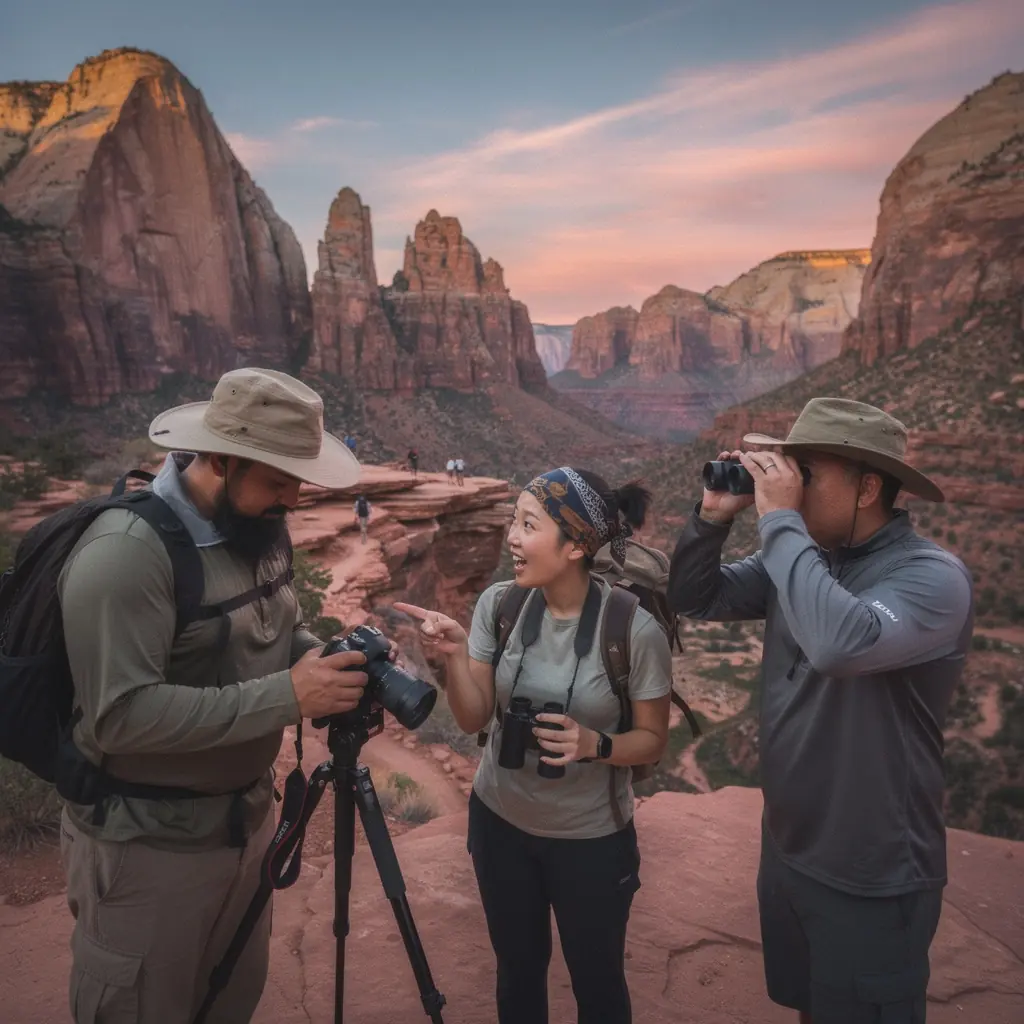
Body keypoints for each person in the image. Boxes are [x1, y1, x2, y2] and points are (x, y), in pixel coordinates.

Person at [56, 368, 401, 1024]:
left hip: (244, 833)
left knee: (228, 1005)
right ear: (217, 459)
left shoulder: (255, 527)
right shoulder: (126, 556)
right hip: (147, 854)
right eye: (279, 480)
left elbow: (275, 631)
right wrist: (287, 695)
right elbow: (117, 719)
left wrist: (327, 663)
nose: (294, 498)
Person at [667, 398, 974, 1024]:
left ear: (866, 488)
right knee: (812, 1008)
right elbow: (694, 597)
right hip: (788, 851)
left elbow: (839, 644)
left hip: (871, 872)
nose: (790, 487)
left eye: (807, 473)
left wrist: (779, 520)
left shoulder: (932, 578)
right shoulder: (808, 559)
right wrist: (713, 518)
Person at [395, 466, 672, 1024]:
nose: (512, 539)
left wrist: (594, 744)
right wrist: (450, 657)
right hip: (499, 825)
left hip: (591, 842)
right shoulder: (500, 606)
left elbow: (652, 742)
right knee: (517, 973)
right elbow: (474, 715)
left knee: (597, 982)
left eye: (528, 525)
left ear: (574, 546)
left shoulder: (633, 631)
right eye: (512, 523)